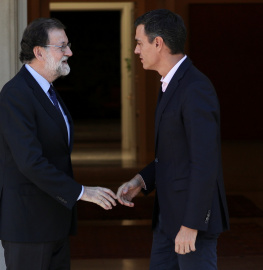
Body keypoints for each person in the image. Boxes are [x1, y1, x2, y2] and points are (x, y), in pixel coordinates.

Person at [0, 18, 117, 270]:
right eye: (62, 46)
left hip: (54, 222)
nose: (70, 52)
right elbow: (30, 162)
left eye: (68, 45)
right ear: (39, 52)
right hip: (28, 226)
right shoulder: (15, 94)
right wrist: (82, 192)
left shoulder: (48, 91)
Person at [117, 9, 230, 270]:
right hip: (168, 221)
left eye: (139, 42)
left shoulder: (195, 88)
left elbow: (205, 162)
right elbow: (172, 154)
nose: (136, 50)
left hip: (190, 225)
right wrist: (141, 181)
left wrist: (191, 225)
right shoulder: (171, 83)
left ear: (158, 43)